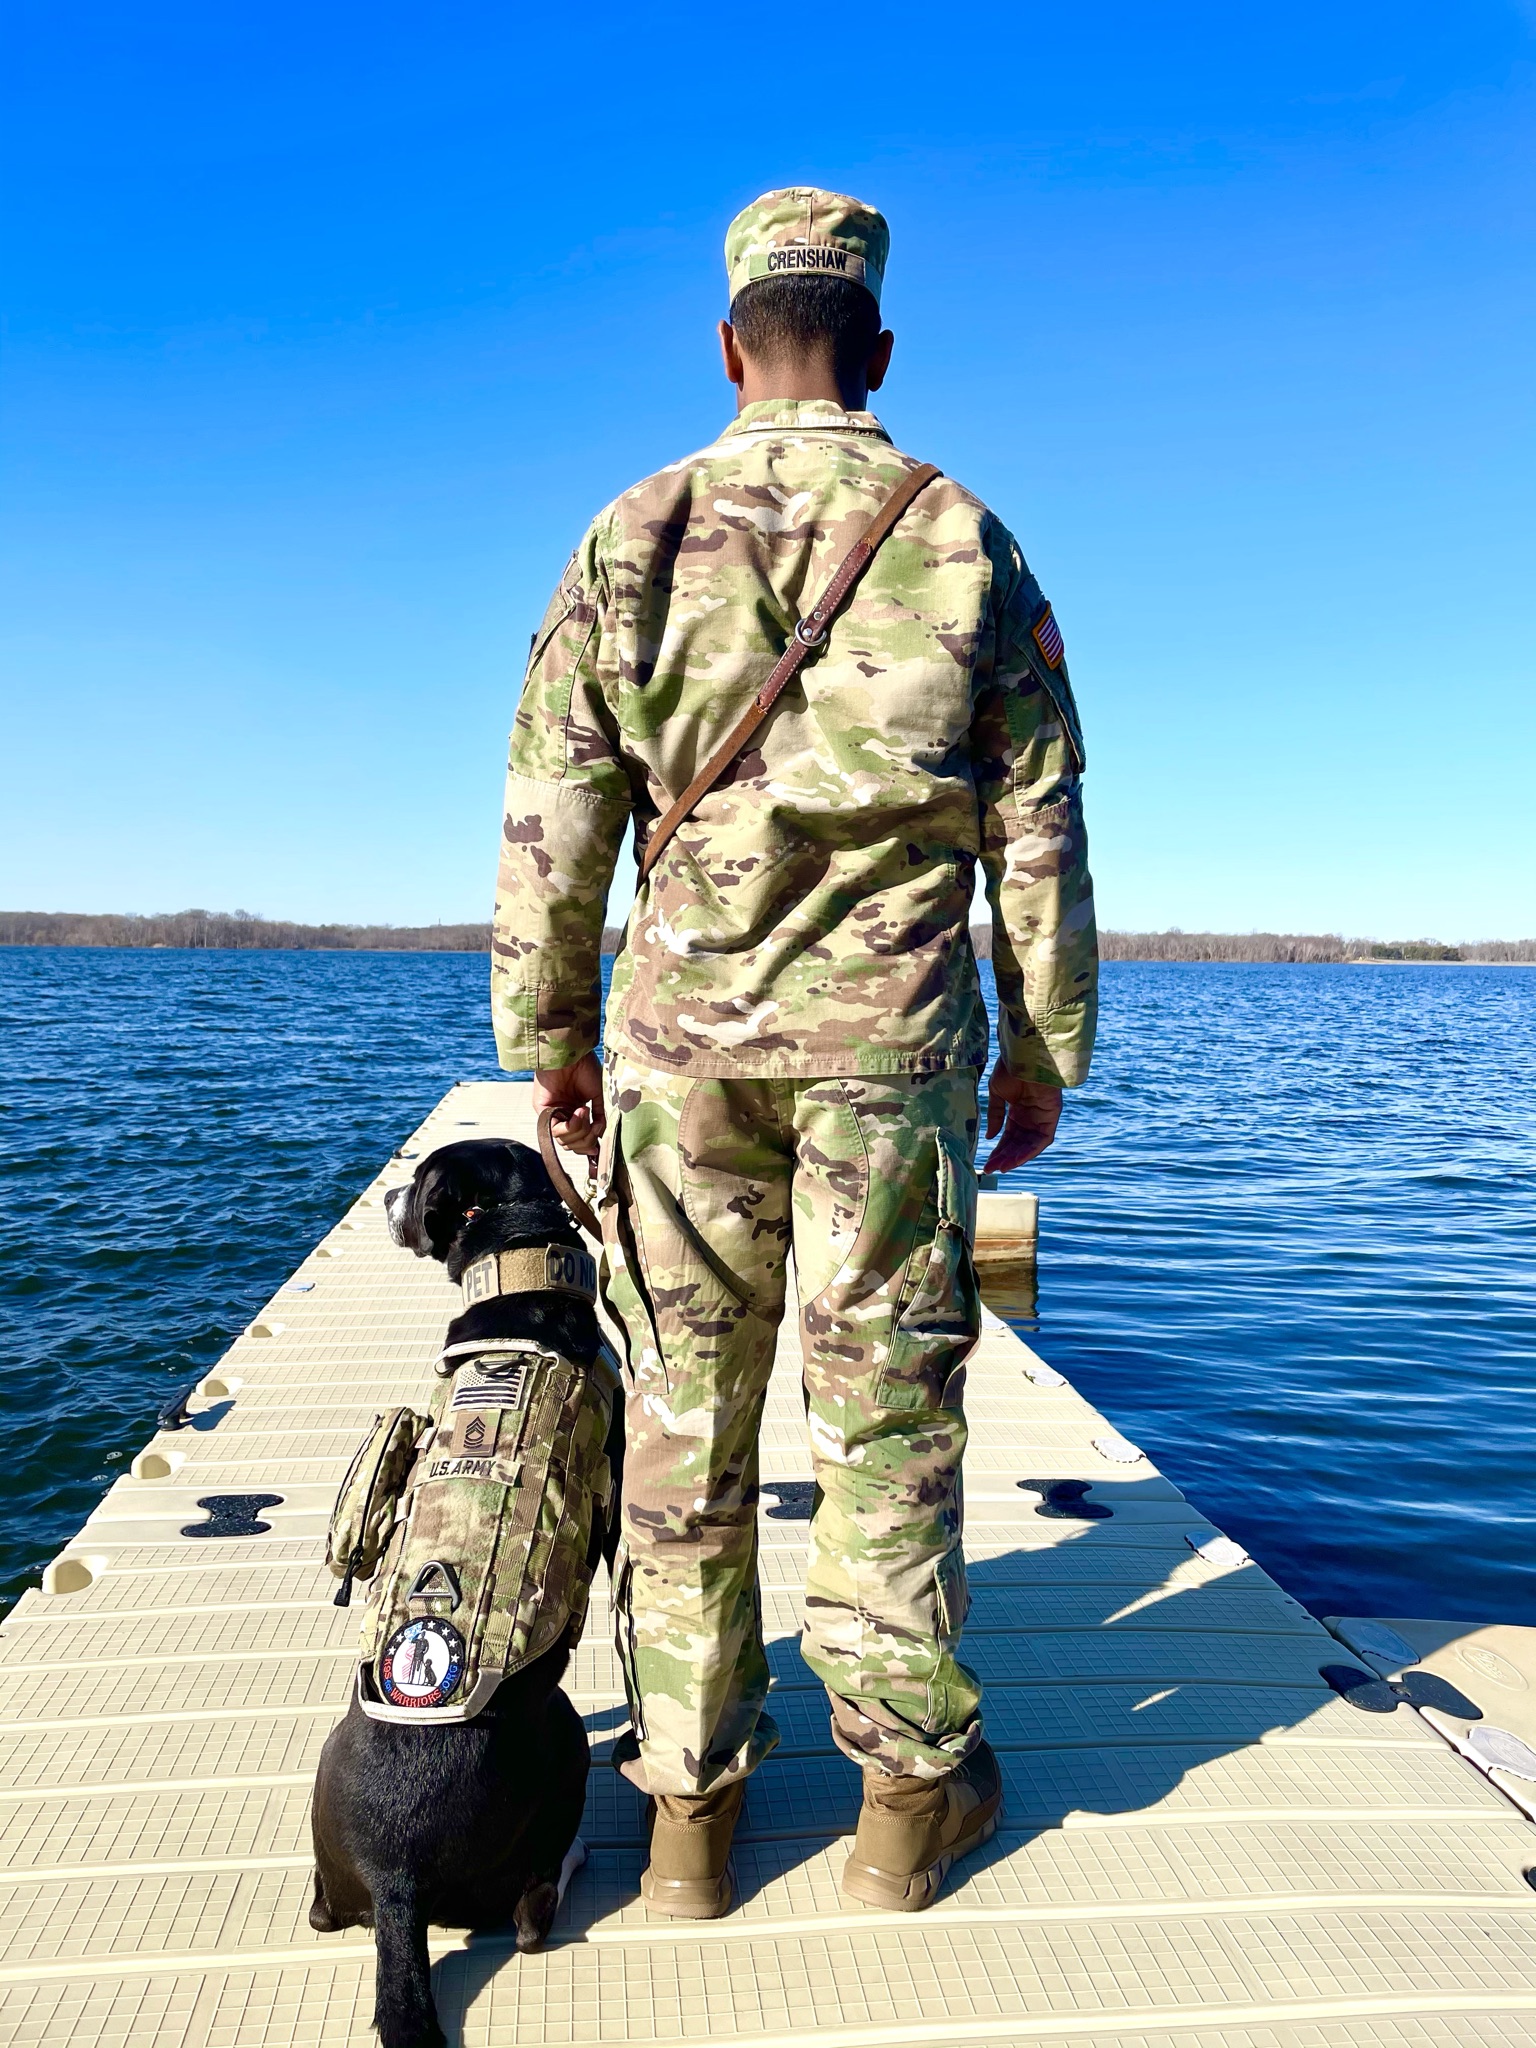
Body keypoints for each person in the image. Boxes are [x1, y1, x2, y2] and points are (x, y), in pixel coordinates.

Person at [490, 187, 1097, 1916]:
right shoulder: (963, 535)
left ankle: (687, 1822)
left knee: (683, 1417)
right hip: (891, 1057)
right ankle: (903, 1811)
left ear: (727, 346)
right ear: (877, 348)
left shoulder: (633, 530)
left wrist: (550, 1038)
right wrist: (1044, 1042)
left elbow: (553, 813)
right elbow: (1039, 821)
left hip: (683, 1052)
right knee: (887, 1414)